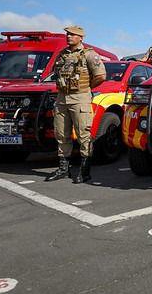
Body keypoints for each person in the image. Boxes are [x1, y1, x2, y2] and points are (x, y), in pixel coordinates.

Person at [45, 26, 106, 184]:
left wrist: (86, 88)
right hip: (61, 99)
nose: (68, 36)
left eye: (72, 34)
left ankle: (85, 171)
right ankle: (63, 169)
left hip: (80, 98)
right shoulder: (62, 54)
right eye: (67, 34)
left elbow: (101, 76)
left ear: (81, 37)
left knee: (83, 135)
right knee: (61, 134)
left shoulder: (89, 54)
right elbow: (55, 73)